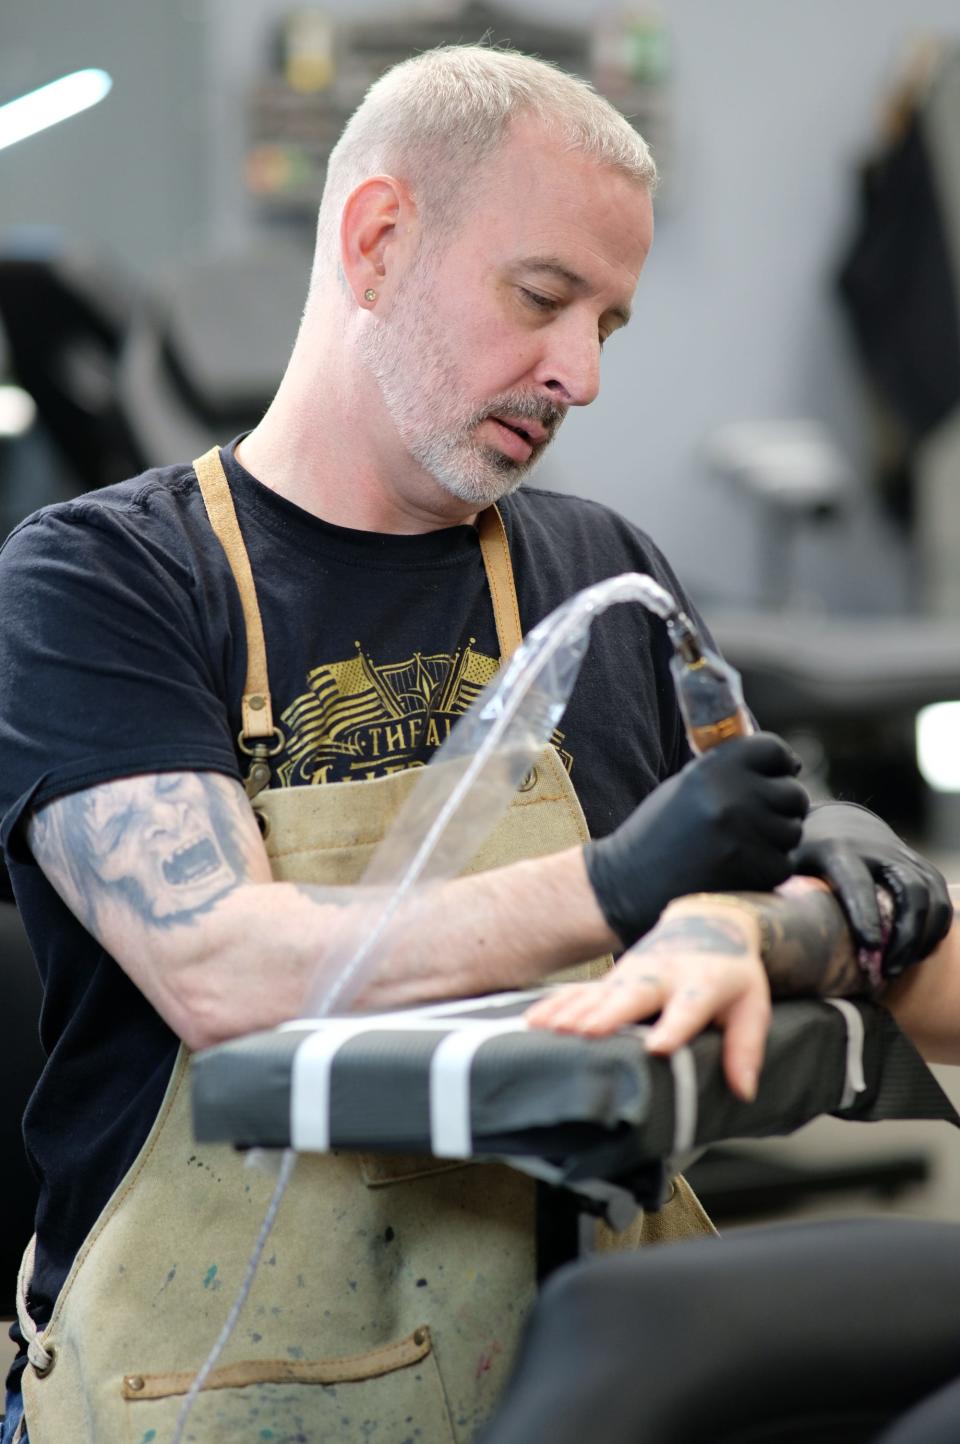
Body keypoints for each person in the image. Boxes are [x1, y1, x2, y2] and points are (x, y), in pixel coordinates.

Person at [0, 45, 948, 1444]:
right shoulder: (107, 580)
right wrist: (619, 887)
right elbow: (219, 965)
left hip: (590, 1368)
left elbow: (780, 896)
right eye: (543, 297)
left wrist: (817, 905)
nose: (579, 375)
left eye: (607, 326)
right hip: (201, 1389)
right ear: (380, 239)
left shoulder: (598, 572)